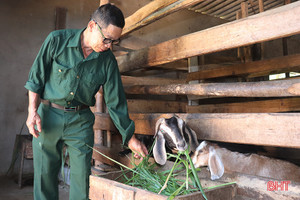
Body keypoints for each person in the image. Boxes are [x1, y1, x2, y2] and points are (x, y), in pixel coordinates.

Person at [25, 4, 148, 200]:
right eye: (106, 39)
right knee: (44, 177)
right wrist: (32, 111)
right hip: (48, 116)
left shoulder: (107, 61)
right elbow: (35, 79)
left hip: (80, 121)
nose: (109, 45)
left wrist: (130, 138)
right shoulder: (56, 41)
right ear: (92, 26)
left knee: (82, 182)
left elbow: (116, 102)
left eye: (114, 41)